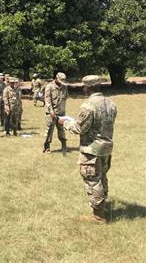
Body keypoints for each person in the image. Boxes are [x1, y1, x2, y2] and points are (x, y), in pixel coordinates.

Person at [58, 75, 116, 224]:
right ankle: (102, 207)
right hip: (106, 148)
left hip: (92, 151)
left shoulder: (88, 106)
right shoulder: (111, 104)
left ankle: (98, 216)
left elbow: (79, 128)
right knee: (102, 177)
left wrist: (64, 122)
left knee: (93, 180)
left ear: (87, 88)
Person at [43, 72, 68, 154]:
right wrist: (51, 110)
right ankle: (47, 147)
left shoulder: (64, 87)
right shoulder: (49, 86)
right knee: (49, 130)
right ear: (56, 79)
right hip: (51, 113)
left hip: (61, 112)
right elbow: (47, 100)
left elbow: (65, 97)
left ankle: (64, 145)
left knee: (62, 129)